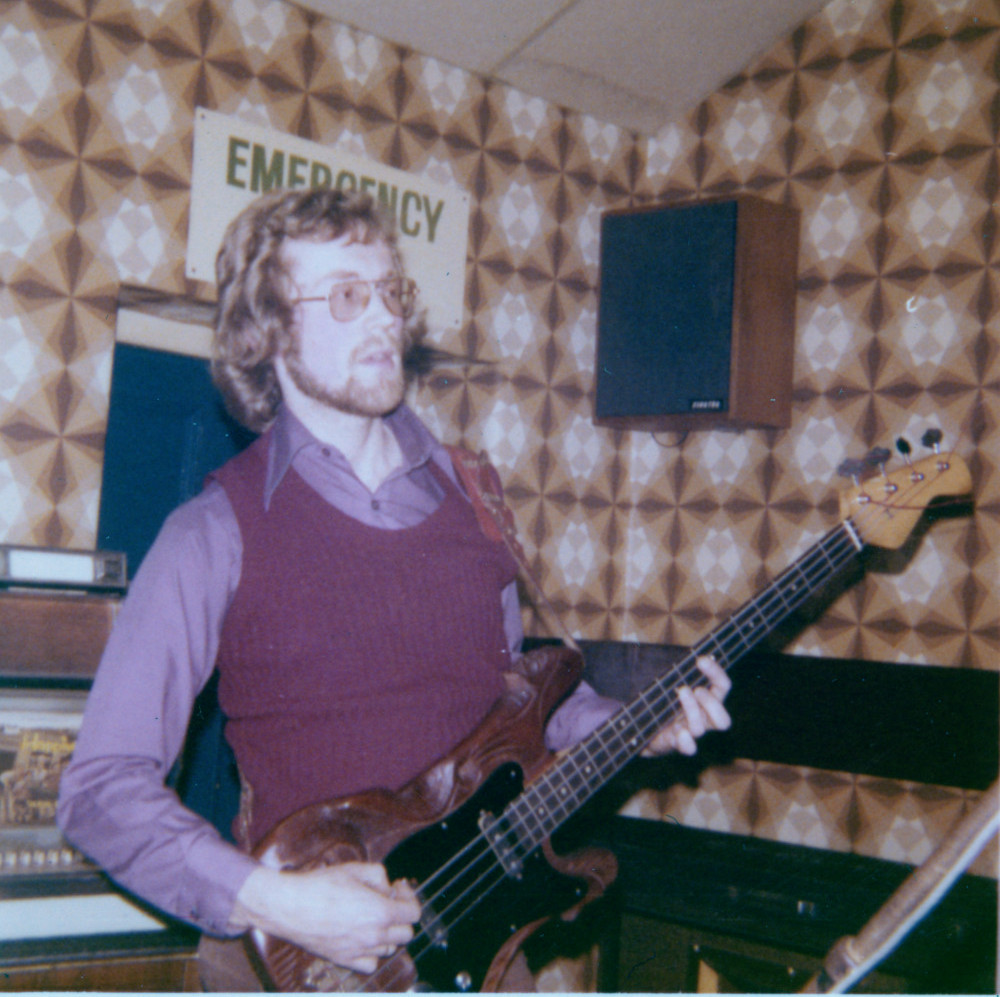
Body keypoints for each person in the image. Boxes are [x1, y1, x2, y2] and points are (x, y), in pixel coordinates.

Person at [57, 188, 731, 985]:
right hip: (304, 963)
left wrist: (633, 724)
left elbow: (514, 708)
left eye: (389, 291)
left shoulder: (474, 495)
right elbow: (99, 792)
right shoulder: (212, 532)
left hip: (484, 952)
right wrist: (275, 900)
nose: (383, 317)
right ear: (269, 329)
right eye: (346, 295)